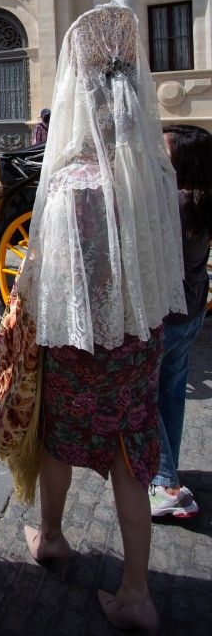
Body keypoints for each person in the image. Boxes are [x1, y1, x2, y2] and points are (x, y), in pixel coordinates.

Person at [12, 4, 186, 636]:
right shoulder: (154, 172)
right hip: (139, 339)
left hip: (84, 339)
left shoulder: (72, 182)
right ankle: (137, 590)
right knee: (131, 456)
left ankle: (52, 536)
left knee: (61, 439)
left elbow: (48, 277)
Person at [149, 124, 212, 518]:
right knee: (171, 390)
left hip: (168, 315)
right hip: (193, 311)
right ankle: (164, 474)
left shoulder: (172, 201)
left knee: (144, 396)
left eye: (164, 149)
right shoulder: (200, 199)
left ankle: (167, 483)